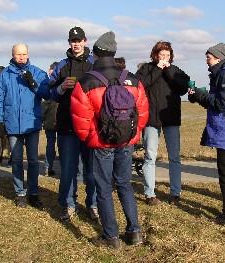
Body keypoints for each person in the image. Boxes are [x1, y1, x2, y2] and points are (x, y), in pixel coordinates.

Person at [71, 31, 149, 249]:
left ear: (95, 55)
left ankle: (111, 236)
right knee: (124, 184)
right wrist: (132, 135)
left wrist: (93, 138)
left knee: (104, 188)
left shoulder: (87, 81)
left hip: (101, 143)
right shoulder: (132, 79)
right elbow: (142, 112)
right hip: (126, 142)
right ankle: (134, 232)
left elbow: (80, 118)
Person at [188, 43, 225, 225]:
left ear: (219, 58)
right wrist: (200, 97)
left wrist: (201, 95)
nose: (206, 61)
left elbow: (222, 103)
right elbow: (219, 101)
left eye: (209, 57)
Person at [0, 43, 50, 208]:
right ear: (12, 54)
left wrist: (33, 83)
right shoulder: (4, 75)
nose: (21, 57)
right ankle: (20, 193)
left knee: (32, 161)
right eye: (18, 54)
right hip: (12, 124)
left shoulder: (37, 73)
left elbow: (46, 94)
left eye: (24, 54)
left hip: (31, 123)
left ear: (28, 54)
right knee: (17, 160)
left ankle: (33, 192)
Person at [49, 26, 98, 221]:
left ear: (85, 41)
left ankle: (93, 204)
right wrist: (61, 87)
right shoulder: (62, 65)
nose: (76, 44)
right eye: (72, 41)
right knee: (68, 169)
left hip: (90, 126)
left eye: (79, 40)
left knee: (91, 170)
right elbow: (50, 92)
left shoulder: (95, 64)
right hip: (66, 125)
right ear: (69, 43)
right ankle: (69, 204)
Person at [135, 41, 190, 206]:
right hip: (151, 119)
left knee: (174, 157)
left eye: (167, 55)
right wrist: (158, 69)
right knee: (150, 156)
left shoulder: (175, 70)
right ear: (155, 55)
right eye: (162, 55)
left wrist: (169, 70)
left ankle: (175, 192)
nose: (165, 58)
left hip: (171, 118)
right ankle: (149, 193)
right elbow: (140, 85)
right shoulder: (147, 69)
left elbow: (183, 87)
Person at [42, 62, 58, 176]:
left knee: (50, 144)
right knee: (64, 146)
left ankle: (48, 167)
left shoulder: (50, 87)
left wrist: (41, 119)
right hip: (62, 121)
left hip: (49, 120)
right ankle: (66, 168)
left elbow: (44, 107)